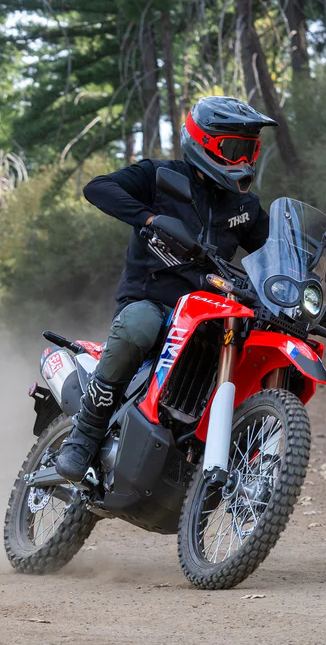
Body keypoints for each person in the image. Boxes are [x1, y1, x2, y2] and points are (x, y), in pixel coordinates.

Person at [55, 95, 278, 482]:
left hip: (209, 314)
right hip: (152, 303)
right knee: (139, 324)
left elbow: (274, 253)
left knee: (251, 345)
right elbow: (98, 188)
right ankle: (84, 435)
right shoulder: (159, 176)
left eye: (250, 150)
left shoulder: (244, 207)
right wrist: (149, 219)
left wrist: (303, 287)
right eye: (234, 149)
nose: (244, 160)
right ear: (204, 144)